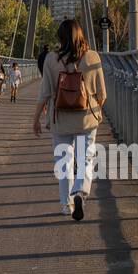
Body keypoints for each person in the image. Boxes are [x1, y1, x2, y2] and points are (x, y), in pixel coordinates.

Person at [34, 19, 107, 220]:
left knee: (64, 161)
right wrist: (96, 111)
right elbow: (102, 94)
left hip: (60, 119)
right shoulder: (92, 57)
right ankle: (80, 193)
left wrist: (36, 119)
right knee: (86, 158)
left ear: (61, 37)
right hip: (86, 119)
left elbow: (45, 93)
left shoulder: (51, 59)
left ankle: (66, 205)